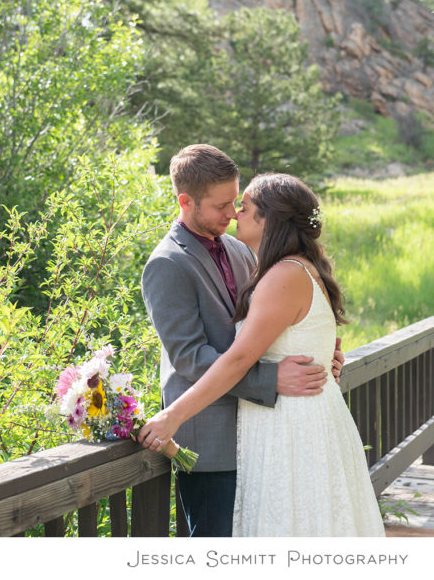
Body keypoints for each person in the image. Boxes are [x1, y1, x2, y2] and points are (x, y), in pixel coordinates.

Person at [139, 171, 384, 536]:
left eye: (242, 205)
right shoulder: (174, 261)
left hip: (288, 426)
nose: (235, 213)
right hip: (232, 436)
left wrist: (170, 417)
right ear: (186, 202)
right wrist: (295, 363)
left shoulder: (270, 265)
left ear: (271, 219)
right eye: (225, 205)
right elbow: (191, 355)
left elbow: (240, 357)